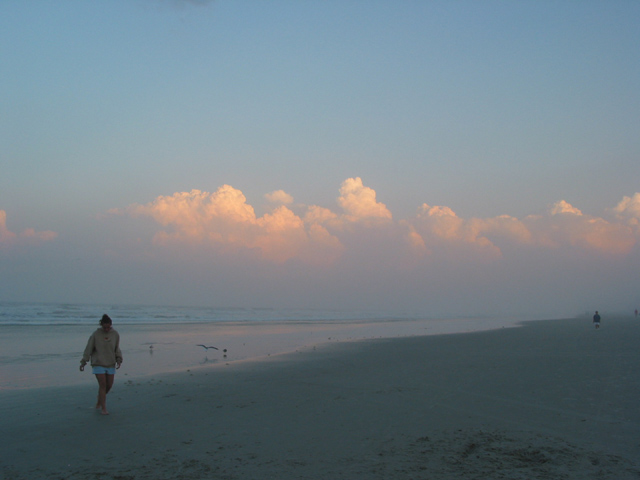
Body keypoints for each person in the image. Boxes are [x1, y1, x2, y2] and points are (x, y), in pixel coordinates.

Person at [80, 314, 123, 415]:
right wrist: (83, 361)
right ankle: (104, 408)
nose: (107, 329)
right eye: (105, 327)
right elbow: (88, 348)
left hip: (110, 363)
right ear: (101, 325)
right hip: (98, 363)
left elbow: (117, 348)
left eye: (108, 327)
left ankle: (100, 398)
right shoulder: (95, 334)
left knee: (109, 385)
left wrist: (119, 359)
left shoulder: (115, 334)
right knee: (102, 385)